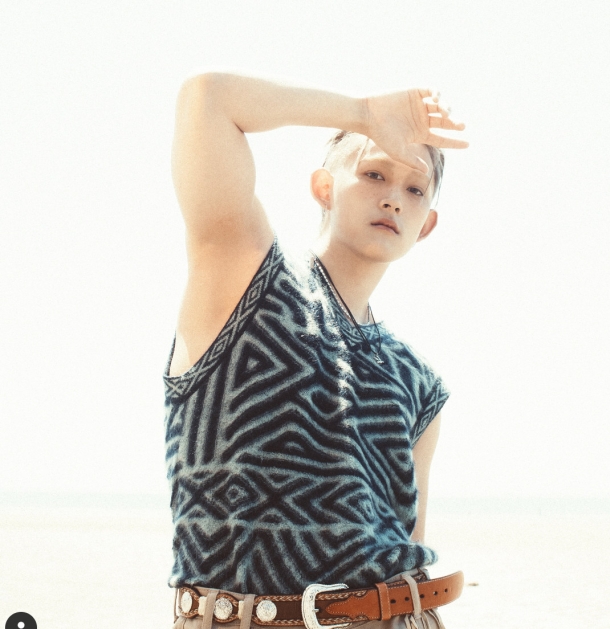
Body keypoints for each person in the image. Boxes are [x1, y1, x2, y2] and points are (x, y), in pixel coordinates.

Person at [164, 72, 469, 629]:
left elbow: (407, 547)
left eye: (414, 189)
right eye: (374, 173)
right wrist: (362, 115)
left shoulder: (419, 383)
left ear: (425, 225)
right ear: (324, 188)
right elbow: (208, 101)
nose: (392, 198)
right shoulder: (248, 284)